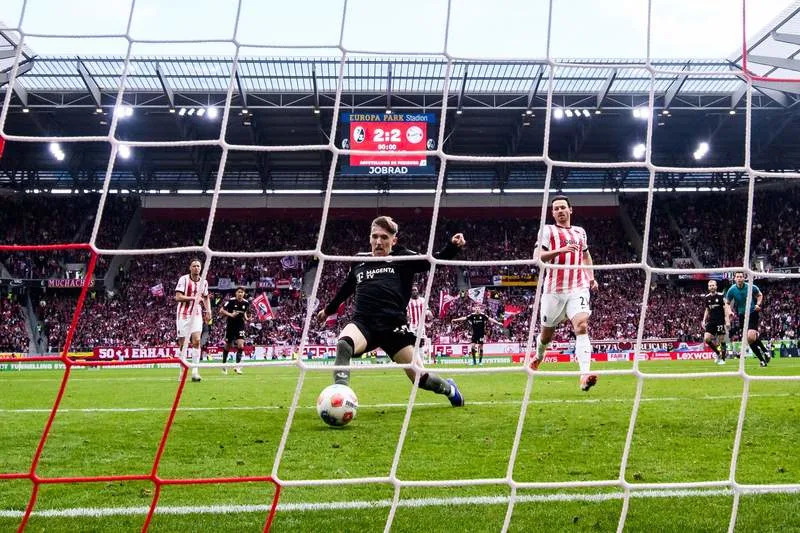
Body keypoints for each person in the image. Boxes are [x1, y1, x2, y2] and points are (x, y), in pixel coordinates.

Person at [316, 216, 466, 406]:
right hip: (364, 324)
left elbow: (431, 261)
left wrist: (452, 247)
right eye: (375, 236)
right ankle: (340, 394)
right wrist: (328, 311)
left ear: (394, 240)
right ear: (370, 238)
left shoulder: (402, 257)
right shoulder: (358, 260)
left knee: (421, 379)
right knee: (344, 345)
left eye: (384, 237)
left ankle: (450, 389)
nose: (379, 242)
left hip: (395, 328)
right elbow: (347, 288)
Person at [530, 195, 599, 391]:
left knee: (582, 326)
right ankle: (539, 356)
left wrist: (591, 278)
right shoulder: (548, 230)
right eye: (556, 209)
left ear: (571, 210)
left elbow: (586, 256)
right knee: (546, 336)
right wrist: (560, 250)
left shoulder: (580, 232)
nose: (560, 211)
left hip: (578, 287)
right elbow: (537, 257)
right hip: (553, 291)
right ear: (552, 213)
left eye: (563, 208)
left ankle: (584, 375)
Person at [175, 258, 211, 382]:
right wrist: (193, 298)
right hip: (183, 315)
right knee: (183, 345)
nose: (196, 268)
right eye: (194, 266)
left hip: (196, 314)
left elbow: (206, 297)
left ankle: (195, 371)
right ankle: (182, 371)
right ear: (190, 268)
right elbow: (178, 297)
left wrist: (208, 311)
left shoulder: (204, 282)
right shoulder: (183, 279)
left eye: (198, 266)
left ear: (201, 268)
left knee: (196, 341)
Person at [725, 272, 770, 367]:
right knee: (750, 339)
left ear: (744, 278)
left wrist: (758, 304)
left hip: (752, 312)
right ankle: (763, 357)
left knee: (750, 337)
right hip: (742, 315)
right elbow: (727, 303)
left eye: (741, 277)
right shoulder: (732, 290)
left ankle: (765, 354)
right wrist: (729, 312)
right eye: (737, 277)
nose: (739, 278)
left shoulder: (751, 287)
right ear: (735, 278)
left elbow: (760, 295)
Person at [219, 286, 251, 375]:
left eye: (242, 292)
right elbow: (221, 310)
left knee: (241, 346)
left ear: (244, 294)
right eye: (238, 292)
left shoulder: (246, 303)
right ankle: (224, 365)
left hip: (240, 325)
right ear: (236, 293)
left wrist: (247, 318)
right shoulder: (230, 301)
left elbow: (244, 312)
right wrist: (230, 314)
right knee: (227, 346)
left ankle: (237, 367)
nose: (240, 294)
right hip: (231, 325)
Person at [702, 279, 731, 365]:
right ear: (708, 287)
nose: (712, 287)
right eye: (710, 286)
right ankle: (718, 353)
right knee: (706, 338)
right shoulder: (707, 297)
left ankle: (723, 359)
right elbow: (707, 309)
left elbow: (725, 308)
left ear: (716, 286)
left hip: (720, 320)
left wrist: (727, 320)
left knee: (721, 340)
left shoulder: (721, 296)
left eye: (713, 285)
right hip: (711, 321)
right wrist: (704, 320)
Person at [407, 285, 434, 364]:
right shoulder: (408, 301)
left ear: (418, 291)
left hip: (421, 327)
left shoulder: (423, 300)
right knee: (412, 344)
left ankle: (421, 362)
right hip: (411, 326)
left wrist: (430, 317)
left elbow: (427, 311)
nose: (414, 291)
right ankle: (414, 362)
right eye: (412, 290)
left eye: (415, 290)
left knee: (421, 344)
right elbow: (406, 314)